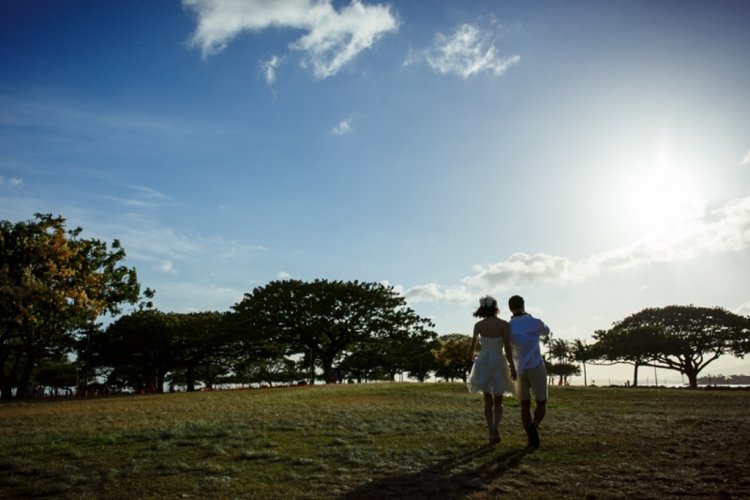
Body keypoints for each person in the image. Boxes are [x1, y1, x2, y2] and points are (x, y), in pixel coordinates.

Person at [467, 296, 517, 445]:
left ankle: (491, 431)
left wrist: (472, 357)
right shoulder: (504, 325)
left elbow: (473, 346)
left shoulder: (478, 325)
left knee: (487, 400)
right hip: (498, 361)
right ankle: (495, 428)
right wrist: (512, 366)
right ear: (495, 308)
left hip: (483, 361)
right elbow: (507, 348)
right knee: (498, 400)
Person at [507, 295, 550, 449]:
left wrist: (511, 367)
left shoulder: (509, 326)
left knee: (524, 405)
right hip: (535, 365)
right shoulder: (534, 322)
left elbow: (507, 348)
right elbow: (546, 331)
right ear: (523, 305)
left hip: (519, 369)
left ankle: (530, 438)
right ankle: (534, 427)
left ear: (510, 308)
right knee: (541, 402)